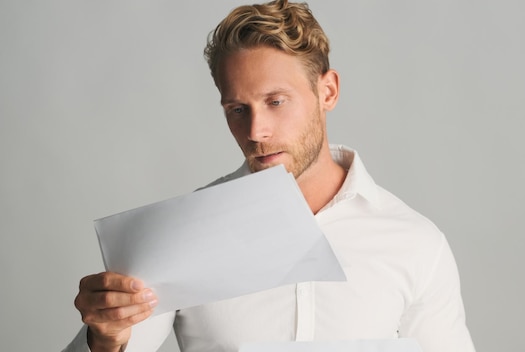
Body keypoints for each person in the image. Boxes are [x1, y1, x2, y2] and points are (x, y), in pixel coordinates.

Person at [64, 1, 475, 351]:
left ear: (327, 91)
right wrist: (105, 336)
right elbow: (113, 340)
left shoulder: (415, 242)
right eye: (237, 110)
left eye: (276, 101)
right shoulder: (183, 237)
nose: (256, 132)